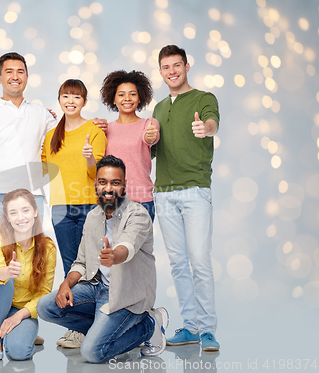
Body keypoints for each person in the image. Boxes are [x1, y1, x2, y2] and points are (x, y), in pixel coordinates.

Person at [37, 155, 169, 363]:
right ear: (96, 184)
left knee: (92, 352)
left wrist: (114, 256)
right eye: (103, 182)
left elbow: (127, 246)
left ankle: (149, 325)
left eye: (115, 183)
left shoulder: (138, 215)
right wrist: (66, 284)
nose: (108, 188)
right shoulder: (92, 217)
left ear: (124, 185)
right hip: (96, 288)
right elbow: (81, 262)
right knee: (46, 306)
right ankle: (103, 330)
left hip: (127, 295)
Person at [152, 45, 220, 351]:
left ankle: (208, 330)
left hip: (195, 190)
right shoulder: (158, 107)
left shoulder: (204, 99)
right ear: (161, 71)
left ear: (187, 66)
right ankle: (191, 327)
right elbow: (151, 148)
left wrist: (205, 129)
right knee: (178, 264)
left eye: (176, 65)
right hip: (164, 193)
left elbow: (212, 123)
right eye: (166, 67)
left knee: (200, 262)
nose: (172, 71)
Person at [0, 52, 57, 239]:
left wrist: (94, 125)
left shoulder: (41, 112)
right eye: (9, 71)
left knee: (33, 258)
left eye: (20, 72)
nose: (15, 76)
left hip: (32, 196)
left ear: (26, 77)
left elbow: (62, 138)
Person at [0, 189, 57, 361]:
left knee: (19, 353)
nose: (21, 217)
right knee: (2, 279)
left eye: (25, 210)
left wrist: (18, 316)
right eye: (13, 213)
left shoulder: (48, 248)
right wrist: (7, 272)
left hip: (20, 310)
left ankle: (16, 335)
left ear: (35, 211)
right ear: (7, 217)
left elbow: (44, 293)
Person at [42, 79, 107, 277]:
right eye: (66, 96)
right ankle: (73, 308)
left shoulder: (95, 131)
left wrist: (89, 159)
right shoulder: (51, 136)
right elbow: (42, 170)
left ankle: (91, 307)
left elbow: (97, 175)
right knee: (69, 268)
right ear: (59, 100)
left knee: (90, 267)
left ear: (84, 102)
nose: (71, 101)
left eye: (76, 97)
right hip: (60, 208)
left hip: (89, 206)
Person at [100, 70, 160, 223]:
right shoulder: (105, 129)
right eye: (121, 94)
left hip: (141, 201)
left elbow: (150, 138)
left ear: (140, 98)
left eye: (132, 94)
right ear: (113, 99)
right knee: (113, 247)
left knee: (138, 247)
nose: (127, 98)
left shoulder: (148, 124)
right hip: (111, 202)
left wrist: (151, 136)